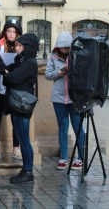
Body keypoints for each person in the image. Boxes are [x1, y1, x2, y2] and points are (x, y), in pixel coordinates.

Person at [0, 33, 39, 184]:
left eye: (20, 45)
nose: (17, 47)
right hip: (17, 103)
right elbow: (4, 70)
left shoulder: (29, 63)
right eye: (17, 45)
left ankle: (28, 172)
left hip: (22, 105)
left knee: (24, 140)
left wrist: (9, 74)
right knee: (22, 138)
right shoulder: (20, 60)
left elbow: (10, 77)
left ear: (27, 48)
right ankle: (25, 169)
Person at [45, 31, 84, 170]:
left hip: (74, 98)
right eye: (61, 47)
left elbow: (84, 74)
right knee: (62, 128)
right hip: (59, 98)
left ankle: (80, 158)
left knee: (78, 127)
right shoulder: (54, 56)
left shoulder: (78, 55)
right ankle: (64, 158)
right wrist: (59, 73)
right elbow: (48, 75)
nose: (63, 50)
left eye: (66, 47)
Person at [0, 19, 23, 161]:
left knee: (16, 119)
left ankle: (16, 148)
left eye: (13, 32)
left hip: (14, 87)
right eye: (8, 31)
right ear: (4, 32)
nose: (11, 34)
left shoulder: (21, 46)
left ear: (18, 33)